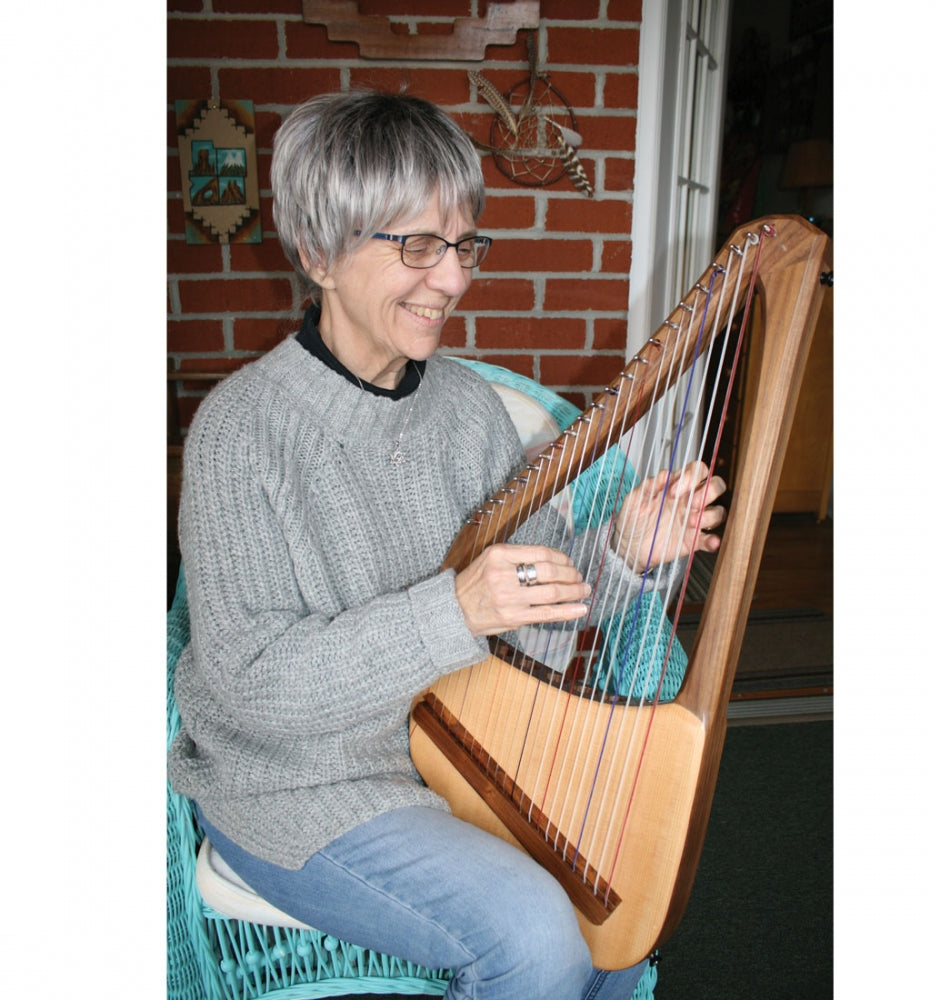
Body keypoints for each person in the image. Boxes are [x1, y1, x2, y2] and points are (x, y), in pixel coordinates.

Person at [168, 89, 726, 1000]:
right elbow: (253, 689)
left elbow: (530, 614)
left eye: (463, 244)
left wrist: (622, 551)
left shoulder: (466, 410)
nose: (454, 278)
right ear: (318, 252)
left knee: (614, 922)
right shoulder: (241, 431)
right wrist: (455, 609)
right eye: (416, 245)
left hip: (464, 752)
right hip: (297, 788)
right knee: (536, 938)